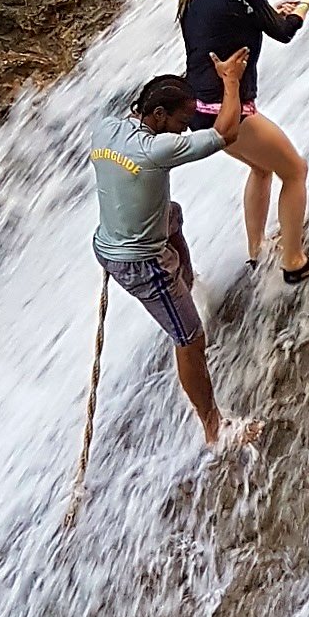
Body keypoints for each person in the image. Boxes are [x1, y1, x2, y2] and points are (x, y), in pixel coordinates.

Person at [89, 46, 256, 447]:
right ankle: (214, 428)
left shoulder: (107, 128)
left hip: (109, 240)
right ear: (159, 116)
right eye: (181, 121)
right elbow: (227, 131)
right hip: (141, 262)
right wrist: (231, 82)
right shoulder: (157, 150)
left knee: (172, 212)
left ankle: (188, 281)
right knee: (190, 339)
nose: (184, 129)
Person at [177, 0, 309, 285]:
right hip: (229, 112)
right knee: (294, 171)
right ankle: (293, 261)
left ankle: (257, 249)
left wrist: (267, 13)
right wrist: (307, 2)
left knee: (262, 169)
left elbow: (228, 27)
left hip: (198, 110)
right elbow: (286, 32)